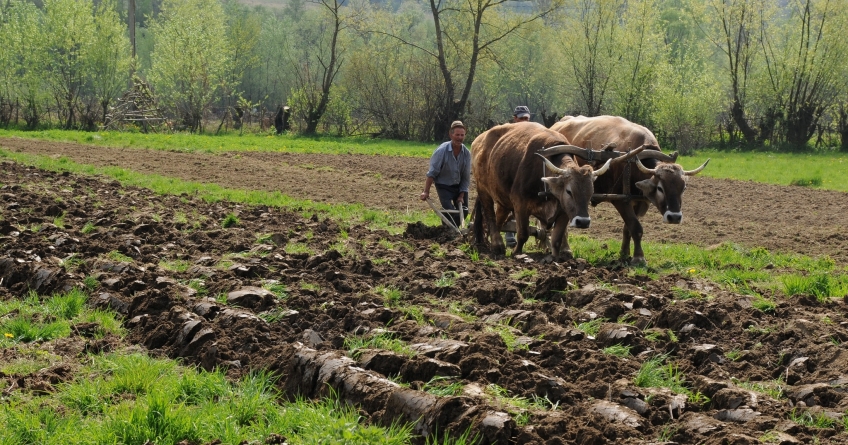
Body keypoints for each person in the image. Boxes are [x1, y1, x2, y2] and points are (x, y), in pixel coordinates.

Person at [420, 120, 471, 227]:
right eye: (457, 135)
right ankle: (450, 231)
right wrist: (426, 191)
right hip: (444, 186)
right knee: (449, 211)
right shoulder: (441, 151)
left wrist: (461, 195)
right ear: (451, 134)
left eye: (462, 135)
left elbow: (466, 177)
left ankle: (450, 230)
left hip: (459, 186)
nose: (460, 138)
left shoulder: (466, 153)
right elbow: (432, 173)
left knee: (464, 210)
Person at [504, 106, 531, 247]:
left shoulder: (534, 133)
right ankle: (509, 231)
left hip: (526, 176)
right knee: (508, 203)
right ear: (515, 119)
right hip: (508, 175)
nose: (524, 121)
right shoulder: (507, 134)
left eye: (526, 118)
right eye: (521, 118)